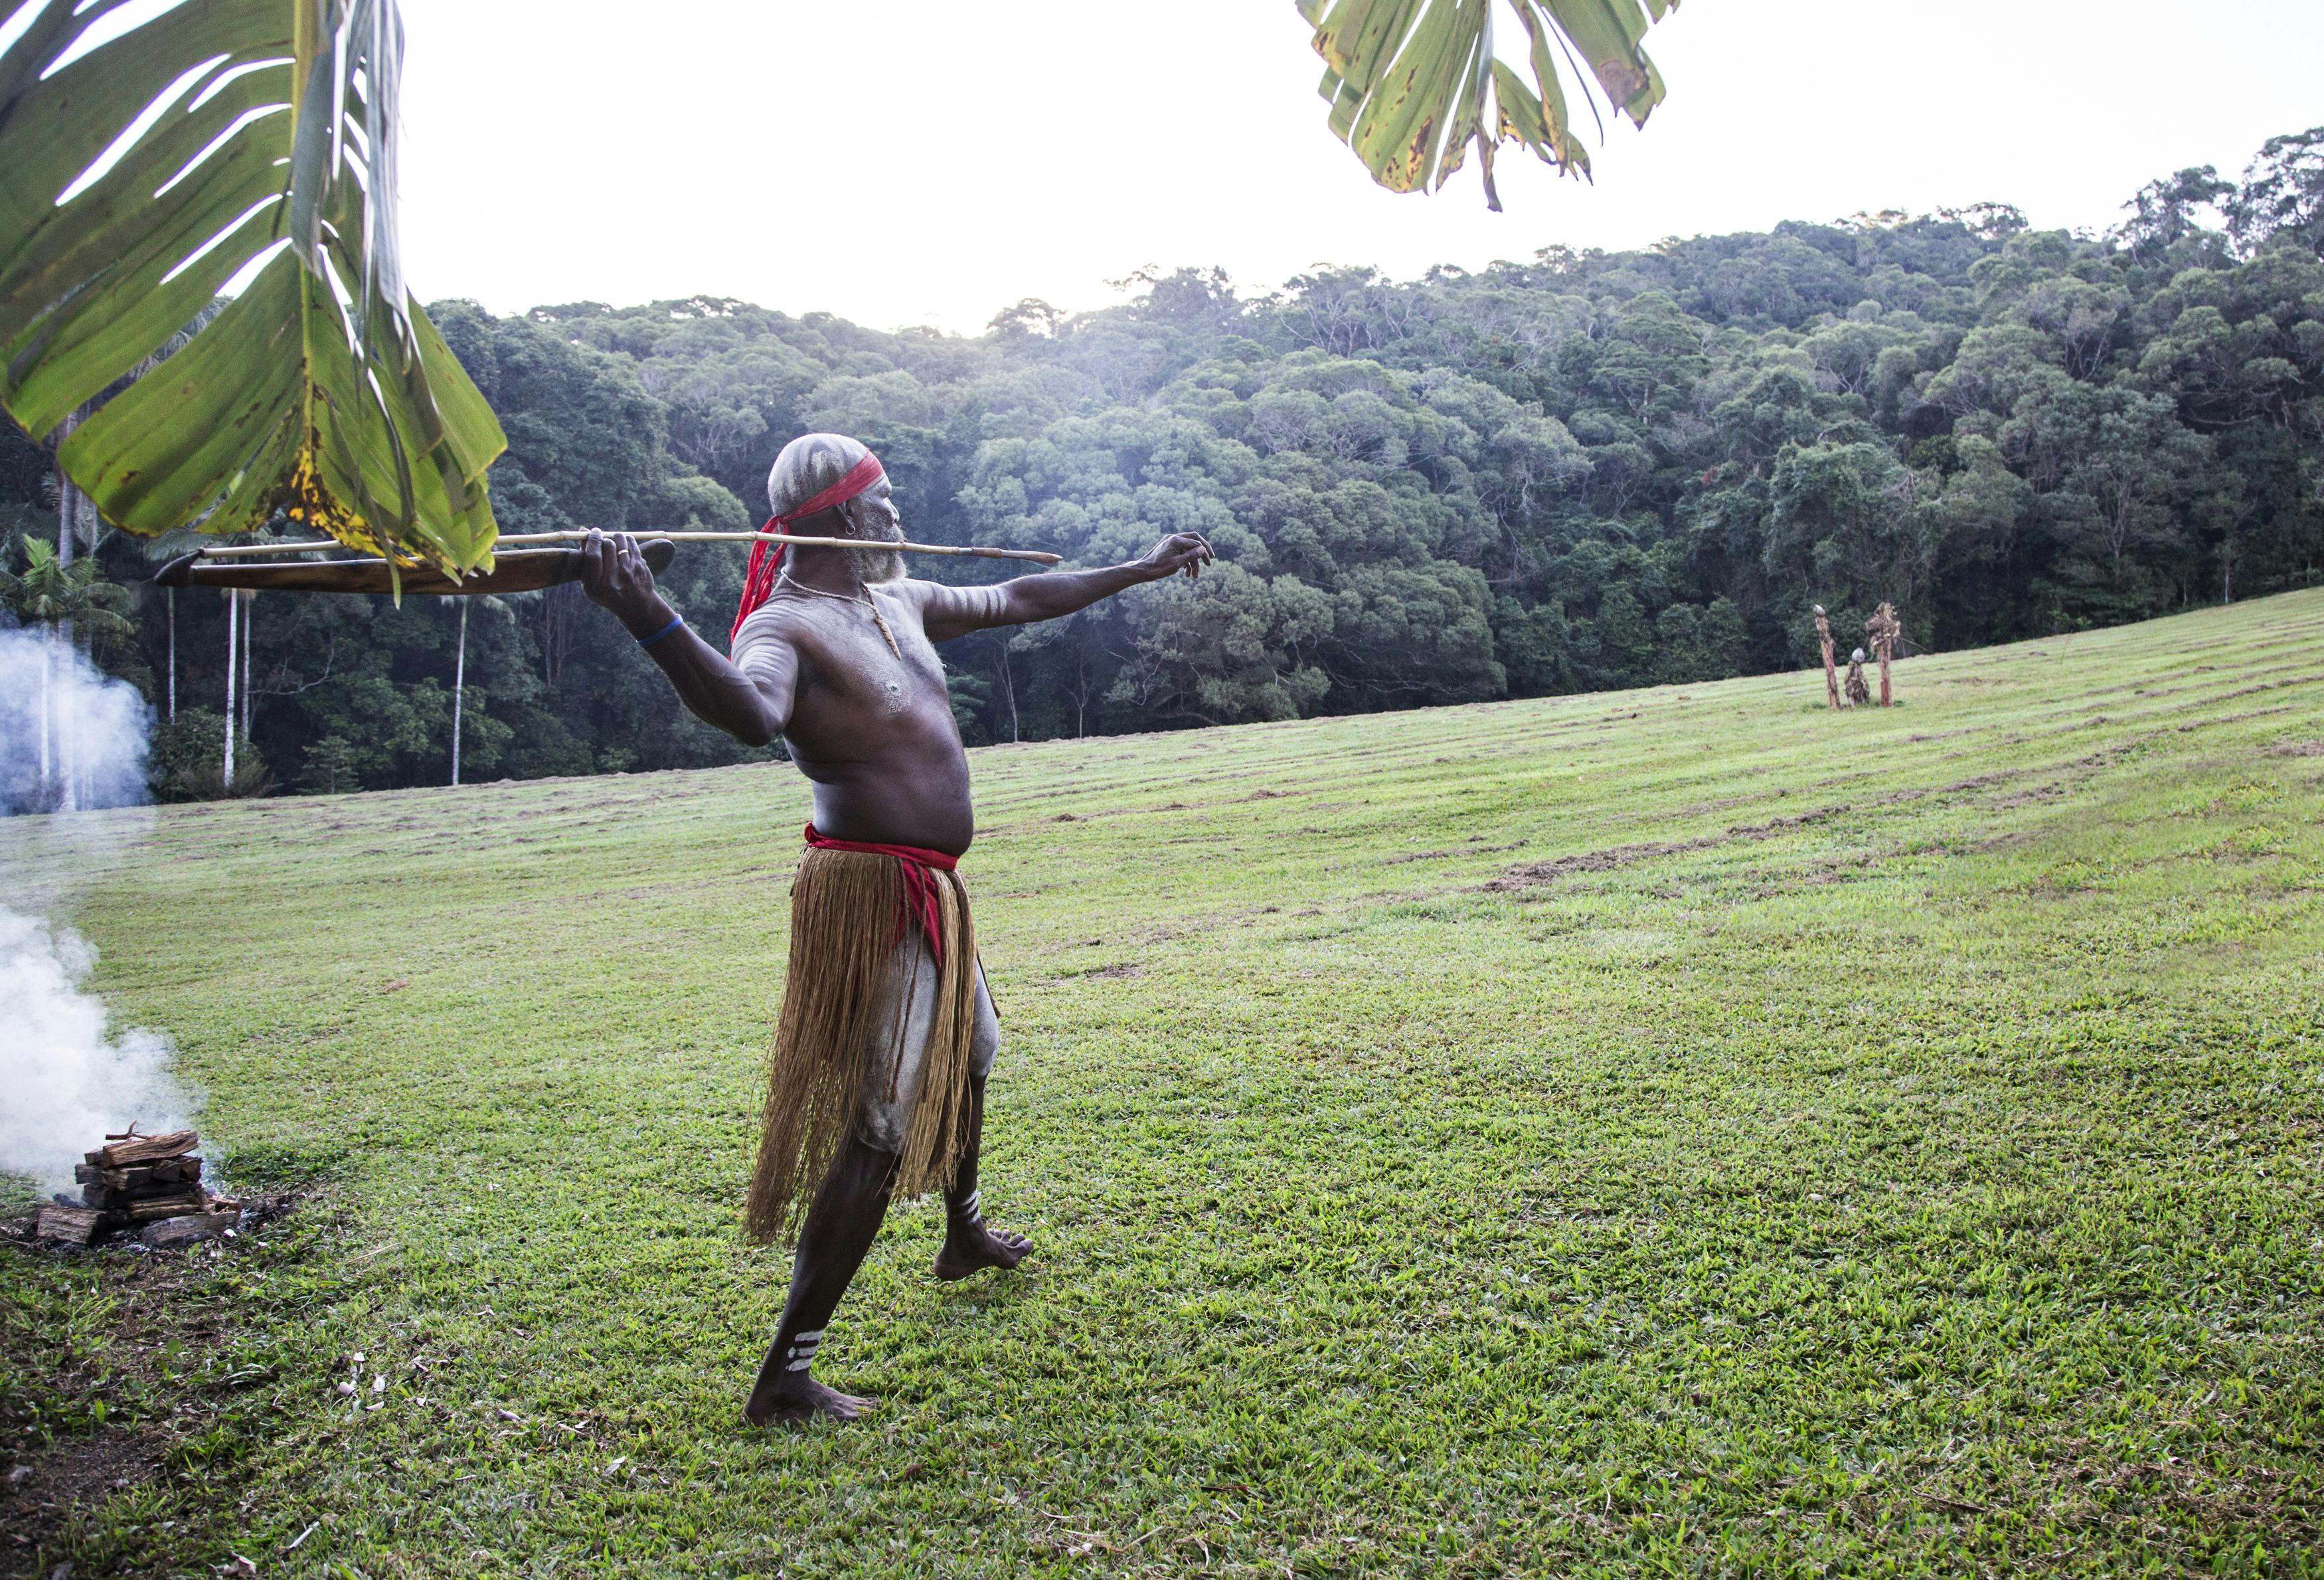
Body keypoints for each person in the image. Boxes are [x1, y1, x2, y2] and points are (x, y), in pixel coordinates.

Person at [578, 432, 1212, 1424]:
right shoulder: (784, 627)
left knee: (973, 1052)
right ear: (838, 517)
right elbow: (751, 714)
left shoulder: (896, 599)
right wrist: (649, 615)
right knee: (877, 1129)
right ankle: (785, 1374)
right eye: (886, 510)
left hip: (935, 888)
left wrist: (1140, 567)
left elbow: (1020, 599)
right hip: (872, 898)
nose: (902, 524)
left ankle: (961, 1233)